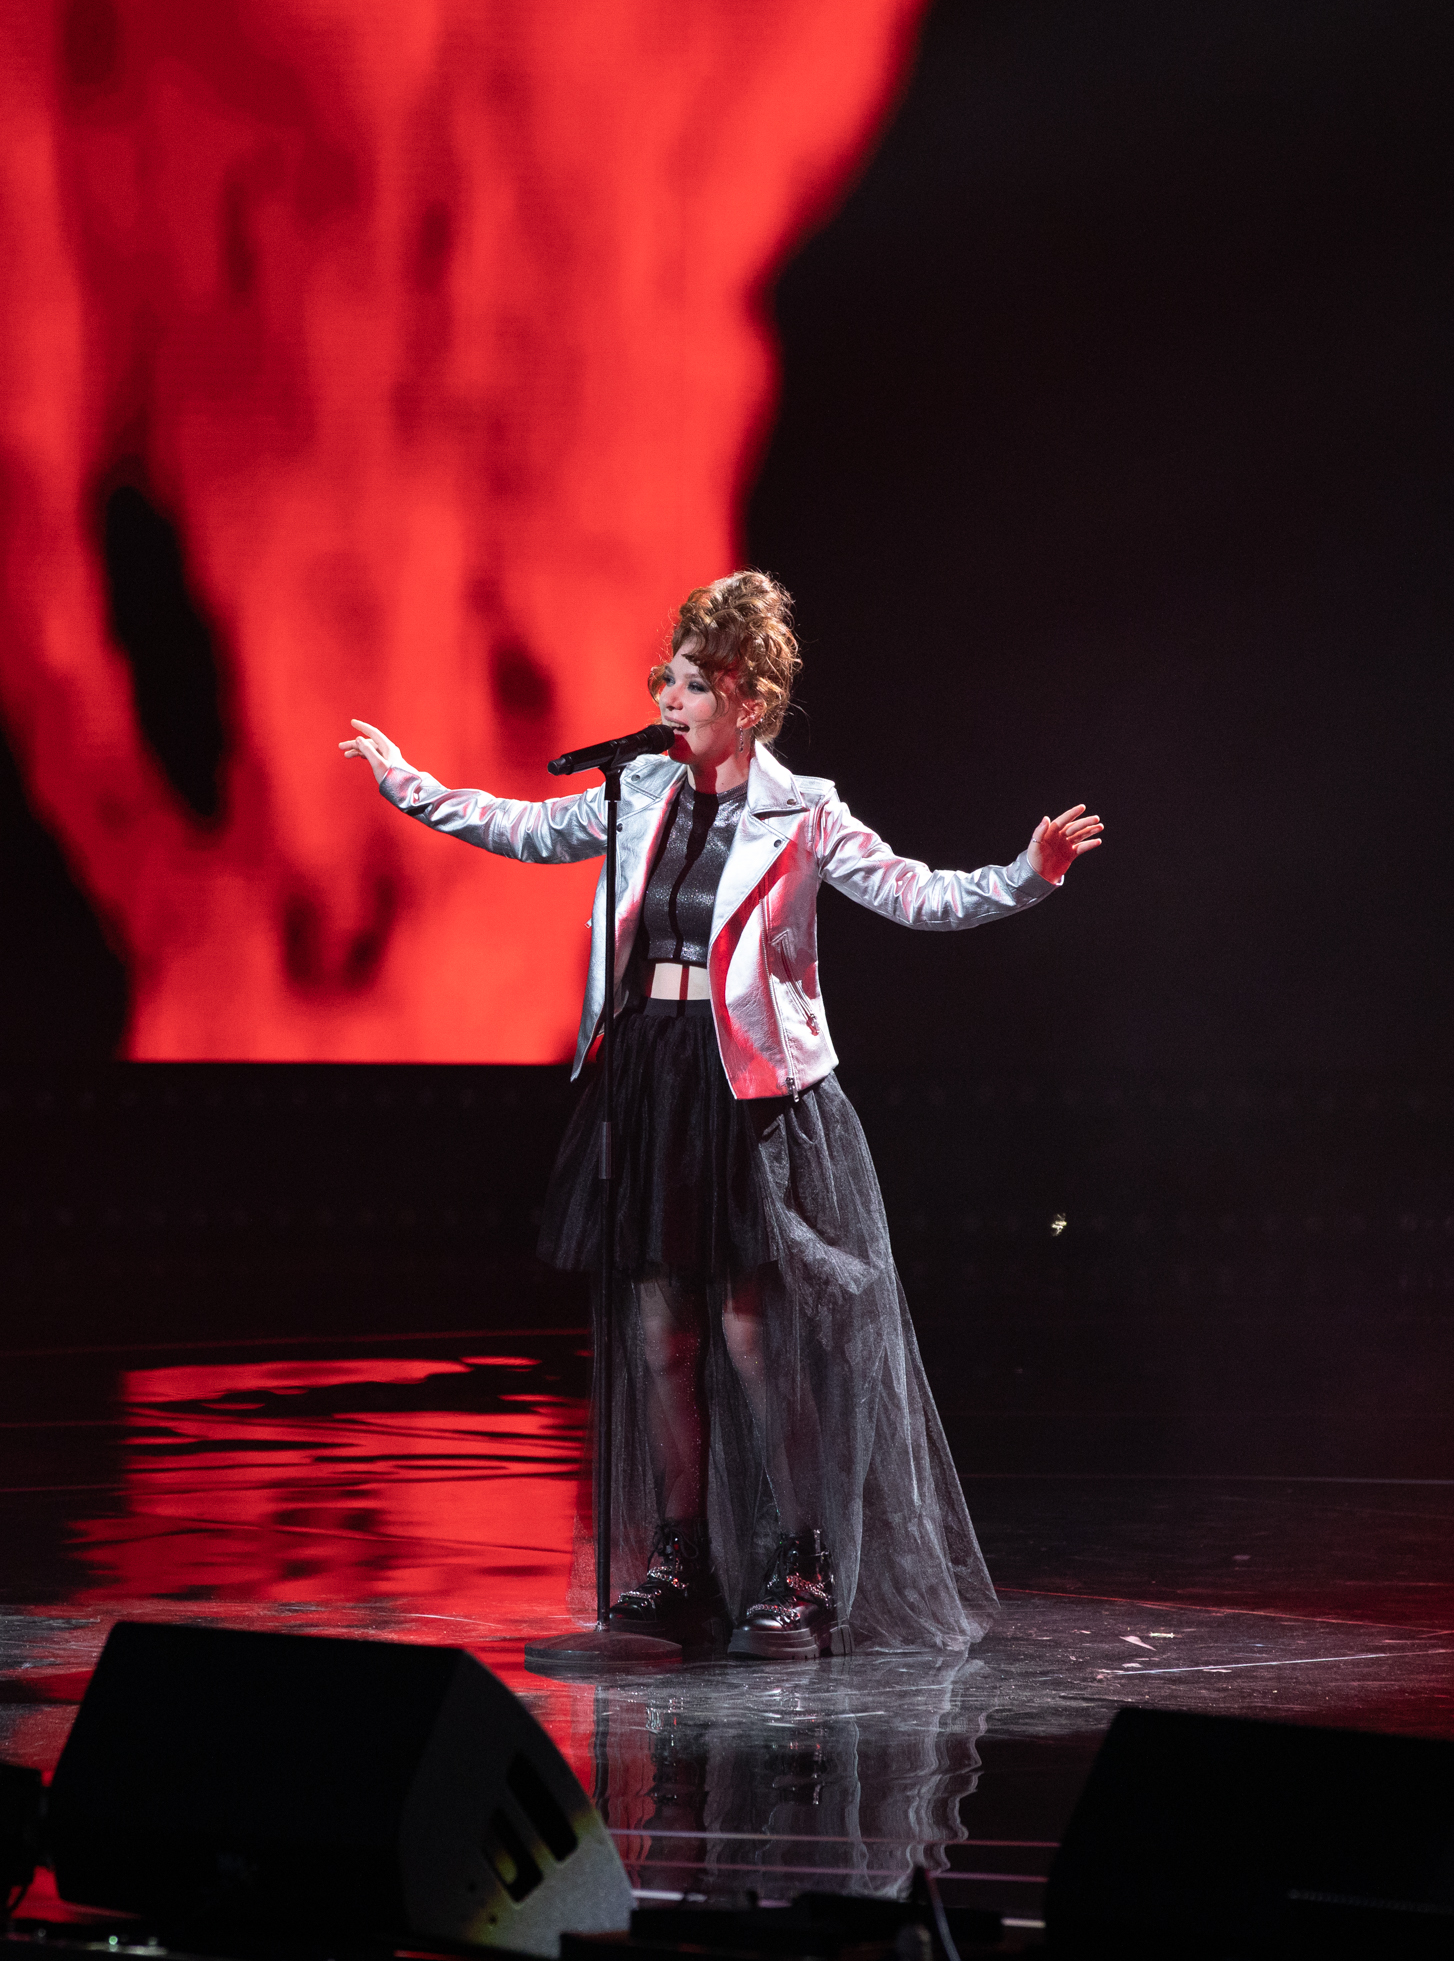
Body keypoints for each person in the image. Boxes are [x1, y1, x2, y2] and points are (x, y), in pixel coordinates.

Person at [337, 571, 1102, 1656]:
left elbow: (916, 893)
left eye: (694, 684)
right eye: (668, 677)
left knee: (751, 1333)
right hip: (649, 1070)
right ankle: (681, 1558)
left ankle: (803, 1559)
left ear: (749, 699)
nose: (670, 697)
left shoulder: (805, 810)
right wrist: (409, 786)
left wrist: (1028, 874)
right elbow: (525, 827)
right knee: (663, 1333)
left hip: (740, 1085)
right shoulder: (638, 790)